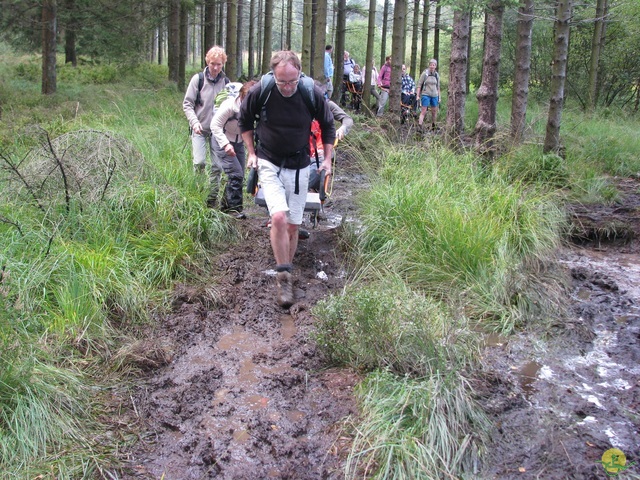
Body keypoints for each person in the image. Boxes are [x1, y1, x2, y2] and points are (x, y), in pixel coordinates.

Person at [239, 51, 336, 308]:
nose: (287, 87)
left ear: (300, 74)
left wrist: (326, 160)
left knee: (293, 225)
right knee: (279, 217)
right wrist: (251, 153)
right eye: (282, 82)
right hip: (269, 161)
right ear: (274, 75)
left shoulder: (309, 91)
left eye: (292, 81)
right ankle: (283, 277)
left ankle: (287, 268)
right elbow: (245, 121)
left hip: (300, 163)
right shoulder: (263, 90)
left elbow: (328, 126)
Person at [183, 45, 229, 207]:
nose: (215, 67)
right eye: (212, 64)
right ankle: (198, 193)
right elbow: (187, 104)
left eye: (219, 64)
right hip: (199, 129)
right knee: (200, 162)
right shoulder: (198, 79)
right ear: (207, 62)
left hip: (218, 132)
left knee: (217, 166)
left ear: (223, 64)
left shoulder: (226, 82)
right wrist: (194, 123)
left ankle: (211, 199)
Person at [210, 80, 256, 218]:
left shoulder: (255, 109)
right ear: (242, 96)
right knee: (236, 174)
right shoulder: (229, 106)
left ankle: (225, 207)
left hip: (238, 141)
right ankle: (234, 210)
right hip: (221, 140)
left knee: (238, 174)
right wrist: (225, 144)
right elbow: (215, 125)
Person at [416, 58, 441, 130]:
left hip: (435, 95)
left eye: (433, 65)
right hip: (425, 94)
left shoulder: (437, 75)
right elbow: (419, 85)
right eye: (431, 65)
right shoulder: (425, 74)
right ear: (429, 65)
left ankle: (434, 125)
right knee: (423, 110)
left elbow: (438, 87)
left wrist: (439, 97)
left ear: (435, 66)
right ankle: (419, 126)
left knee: (434, 111)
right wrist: (417, 95)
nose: (432, 66)